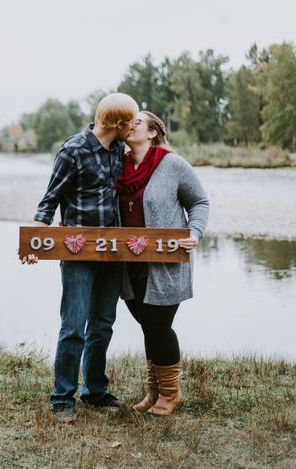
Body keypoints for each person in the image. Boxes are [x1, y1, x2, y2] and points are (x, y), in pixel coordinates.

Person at [21, 93, 139, 423]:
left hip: (113, 254)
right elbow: (49, 200)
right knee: (73, 326)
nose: (133, 126)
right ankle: (62, 396)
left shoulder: (118, 149)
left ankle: (95, 392)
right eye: (131, 121)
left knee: (102, 326)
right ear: (119, 124)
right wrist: (34, 242)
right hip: (77, 252)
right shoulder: (72, 150)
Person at [117, 111, 209, 415]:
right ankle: (154, 391)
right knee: (149, 326)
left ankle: (171, 394)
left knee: (158, 325)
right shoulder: (120, 165)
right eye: (128, 123)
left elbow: (199, 202)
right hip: (130, 266)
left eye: (138, 122)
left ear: (153, 132)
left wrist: (194, 233)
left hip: (166, 265)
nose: (131, 126)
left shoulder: (172, 164)